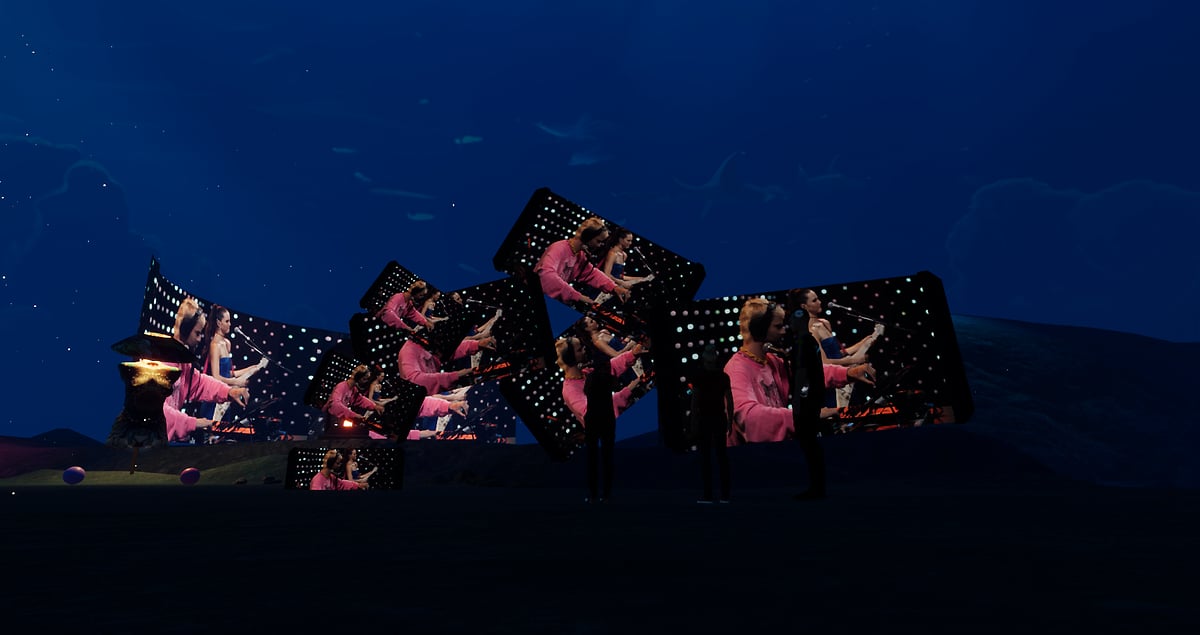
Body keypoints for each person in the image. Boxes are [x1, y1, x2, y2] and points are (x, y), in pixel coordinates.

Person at [164, 297, 249, 443]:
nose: (199, 339)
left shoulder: (183, 363)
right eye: (197, 333)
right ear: (185, 330)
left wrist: (229, 392)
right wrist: (194, 423)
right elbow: (159, 409)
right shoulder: (164, 360)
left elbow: (200, 383)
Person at [323, 364, 466, 440]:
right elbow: (335, 405)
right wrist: (357, 416)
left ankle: (450, 403)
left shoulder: (356, 390)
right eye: (365, 379)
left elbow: (360, 399)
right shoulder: (342, 389)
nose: (366, 382)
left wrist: (449, 406)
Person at [795, 288, 884, 408]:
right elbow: (824, 362)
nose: (819, 302)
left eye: (818, 298)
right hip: (833, 382)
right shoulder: (810, 331)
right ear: (804, 306)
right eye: (814, 300)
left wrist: (864, 342)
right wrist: (854, 360)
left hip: (845, 376)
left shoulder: (824, 322)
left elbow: (837, 353)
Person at [534, 217, 631, 307]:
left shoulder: (579, 255)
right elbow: (545, 275)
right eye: (598, 241)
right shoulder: (559, 248)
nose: (599, 245)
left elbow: (592, 274)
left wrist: (614, 288)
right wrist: (577, 296)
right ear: (587, 237)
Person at [200, 305, 267, 423]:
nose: (230, 324)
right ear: (219, 323)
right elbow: (216, 377)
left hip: (226, 397)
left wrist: (252, 368)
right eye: (227, 321)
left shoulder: (227, 343)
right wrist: (237, 382)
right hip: (215, 400)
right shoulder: (214, 346)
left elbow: (228, 373)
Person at [689, 344, 732, 504]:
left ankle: (709, 495)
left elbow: (695, 401)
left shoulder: (701, 377)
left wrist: (693, 422)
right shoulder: (722, 377)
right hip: (716, 418)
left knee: (708, 458)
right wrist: (730, 421)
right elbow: (729, 400)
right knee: (720, 457)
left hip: (707, 419)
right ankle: (723, 495)